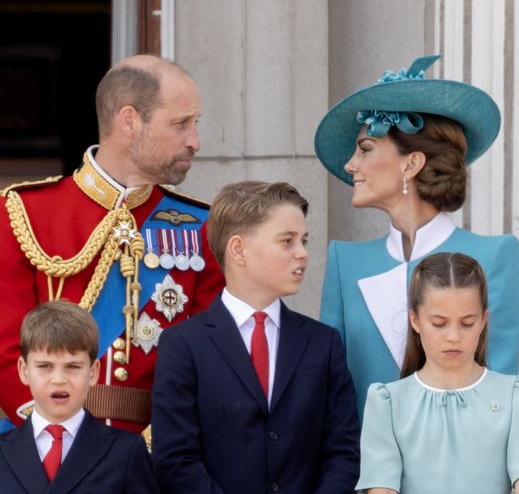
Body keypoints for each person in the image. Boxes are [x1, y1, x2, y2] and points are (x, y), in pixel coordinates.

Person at [0, 55, 225, 441]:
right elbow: (2, 352)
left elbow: (211, 356)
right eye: (180, 124)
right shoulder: (22, 211)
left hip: (155, 454)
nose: (195, 140)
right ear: (129, 121)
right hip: (48, 446)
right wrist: (64, 437)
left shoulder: (198, 224)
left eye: (195, 124)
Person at [314, 54, 519, 419]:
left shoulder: (494, 256)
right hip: (368, 474)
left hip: (465, 472)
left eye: (364, 149)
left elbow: (499, 397)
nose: (350, 165)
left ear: (411, 164)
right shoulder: (344, 262)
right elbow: (333, 397)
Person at [151, 181, 361, 493]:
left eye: (303, 241)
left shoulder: (323, 343)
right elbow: (175, 457)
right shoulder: (183, 345)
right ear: (238, 249)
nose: (302, 254)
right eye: (287, 241)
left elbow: (342, 452)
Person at [356, 252, 519, 494]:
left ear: (483, 320)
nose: (454, 337)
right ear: (415, 320)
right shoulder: (388, 403)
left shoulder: (515, 395)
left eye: (467, 323)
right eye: (439, 323)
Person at [0, 301, 160, 493]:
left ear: (93, 372)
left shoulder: (126, 452)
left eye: (73, 367)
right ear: (24, 370)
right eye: (45, 366)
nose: (59, 380)